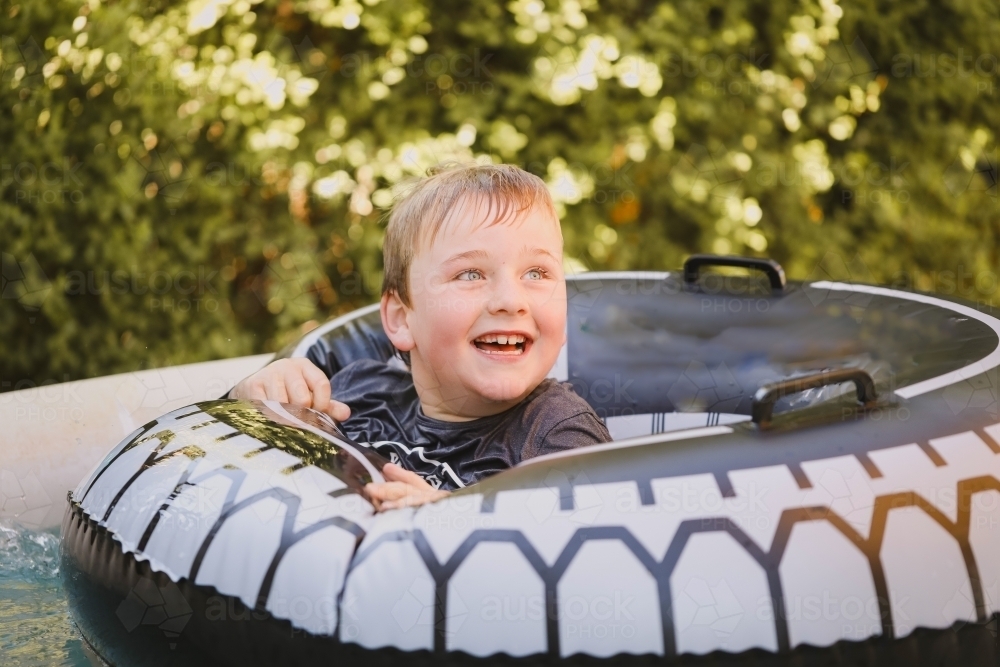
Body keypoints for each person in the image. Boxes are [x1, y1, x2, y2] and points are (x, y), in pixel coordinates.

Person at [230, 163, 611, 509]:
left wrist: (450, 518)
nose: (511, 301)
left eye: (537, 273)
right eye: (470, 274)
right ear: (400, 320)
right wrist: (249, 405)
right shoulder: (355, 393)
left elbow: (591, 551)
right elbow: (229, 472)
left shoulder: (558, 433)